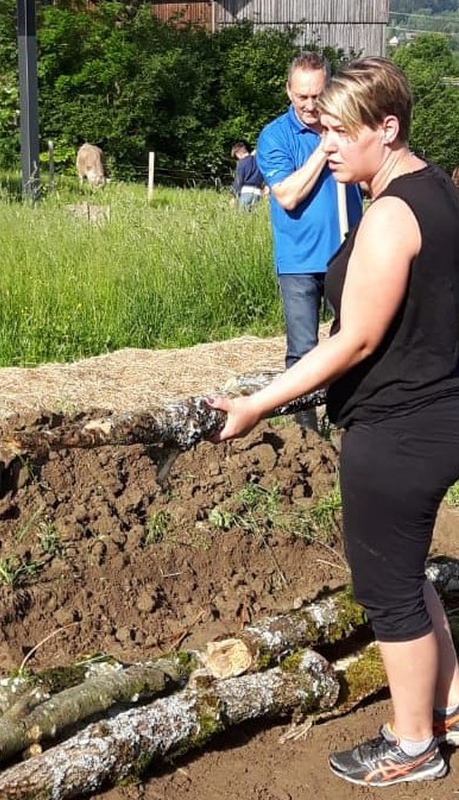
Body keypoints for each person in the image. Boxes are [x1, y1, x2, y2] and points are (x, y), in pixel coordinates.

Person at [208, 56, 459, 788]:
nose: (329, 145)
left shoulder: (388, 215)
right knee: (409, 578)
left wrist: (258, 402)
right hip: (438, 410)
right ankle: (447, 706)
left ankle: (413, 745)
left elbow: (353, 339)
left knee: (386, 590)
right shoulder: (436, 189)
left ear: (387, 128)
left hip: (398, 433)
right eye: (322, 129)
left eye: (343, 131)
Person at [256, 51, 363, 432]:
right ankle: (306, 435)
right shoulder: (275, 137)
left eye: (317, 95)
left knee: (354, 343)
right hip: (299, 261)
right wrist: (325, 147)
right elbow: (287, 195)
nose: (310, 105)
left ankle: (350, 422)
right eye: (301, 96)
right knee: (303, 351)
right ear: (289, 91)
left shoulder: (347, 126)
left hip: (348, 255)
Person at [230, 141, 266, 209]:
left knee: (243, 217)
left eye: (236, 156)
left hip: (246, 192)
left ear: (238, 153)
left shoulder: (241, 163)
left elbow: (239, 181)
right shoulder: (258, 162)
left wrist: (233, 196)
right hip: (258, 193)